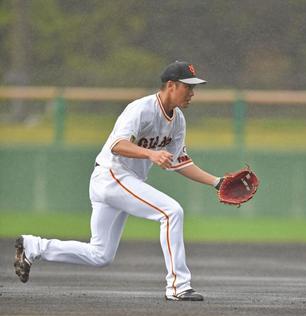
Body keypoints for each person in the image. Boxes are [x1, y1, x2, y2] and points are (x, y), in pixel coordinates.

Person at [14, 61, 222, 301]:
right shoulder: (141, 109)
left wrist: (216, 182)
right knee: (171, 212)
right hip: (112, 176)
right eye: (188, 87)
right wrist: (151, 153)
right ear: (171, 85)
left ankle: (34, 246)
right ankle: (178, 286)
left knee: (100, 255)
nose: (193, 93)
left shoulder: (178, 121)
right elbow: (117, 145)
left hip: (121, 183)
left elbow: (179, 162)